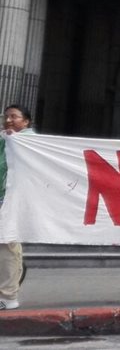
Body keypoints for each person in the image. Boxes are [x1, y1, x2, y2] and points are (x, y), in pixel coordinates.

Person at [0, 104, 34, 311]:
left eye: (14, 116)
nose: (9, 120)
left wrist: (18, 141)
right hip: (2, 197)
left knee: (7, 246)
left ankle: (9, 295)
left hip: (14, 201)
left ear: (26, 121)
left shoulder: (32, 142)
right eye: (6, 116)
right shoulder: (4, 140)